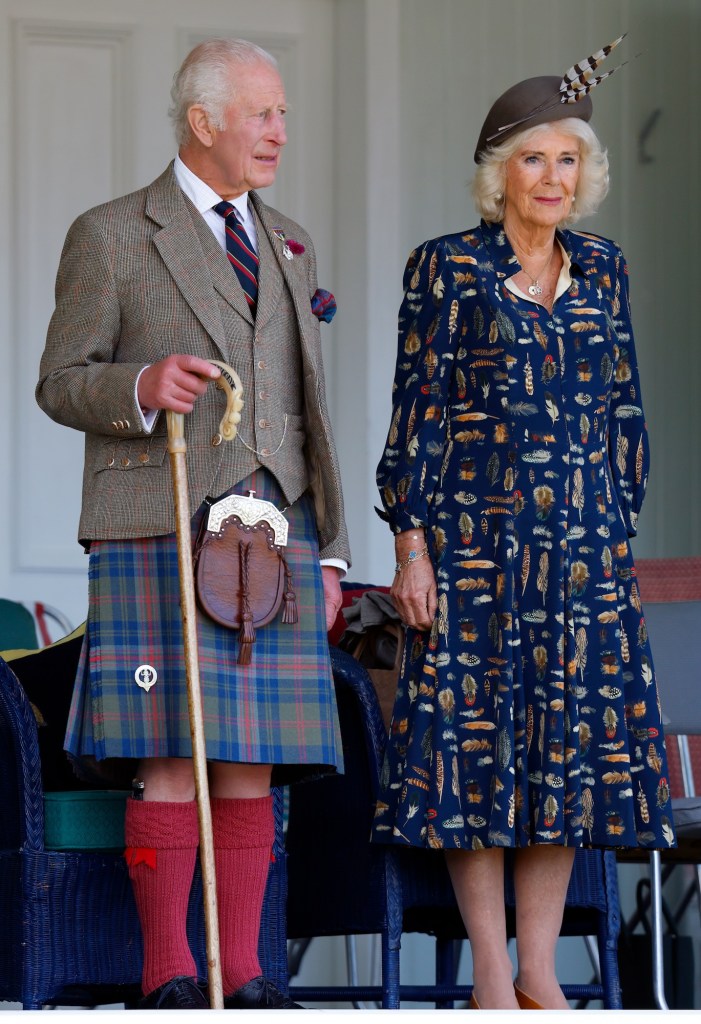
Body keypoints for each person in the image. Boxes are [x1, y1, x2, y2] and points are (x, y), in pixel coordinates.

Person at [37, 38, 350, 1010]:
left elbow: (307, 401)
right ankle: (167, 972)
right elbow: (60, 379)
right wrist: (139, 384)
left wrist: (329, 547)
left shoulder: (289, 241)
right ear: (202, 121)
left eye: (283, 114)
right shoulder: (113, 234)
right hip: (155, 524)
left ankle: (245, 971)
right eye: (260, 113)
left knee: (253, 758)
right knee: (172, 751)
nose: (278, 131)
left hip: (275, 537)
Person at [372, 38, 676, 1010]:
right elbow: (412, 417)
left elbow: (622, 410)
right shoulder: (446, 270)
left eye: (568, 158)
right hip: (470, 555)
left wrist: (612, 530)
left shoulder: (603, 270)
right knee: (476, 754)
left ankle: (540, 968)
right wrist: (409, 543)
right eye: (533, 156)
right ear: (496, 170)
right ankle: (490, 973)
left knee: (564, 763)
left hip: (581, 557)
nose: (552, 176)